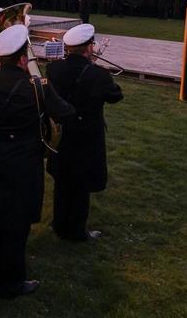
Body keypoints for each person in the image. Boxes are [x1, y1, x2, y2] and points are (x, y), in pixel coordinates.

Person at [0, 24, 76, 298]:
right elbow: (66, 113)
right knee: (16, 224)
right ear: (23, 58)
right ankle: (11, 282)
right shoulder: (37, 87)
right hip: (23, 164)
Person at [46, 23, 123, 241]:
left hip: (60, 133)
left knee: (62, 181)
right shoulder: (98, 74)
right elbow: (116, 96)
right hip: (86, 135)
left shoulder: (53, 68)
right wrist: (95, 68)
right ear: (89, 48)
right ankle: (77, 231)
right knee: (80, 185)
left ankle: (59, 223)